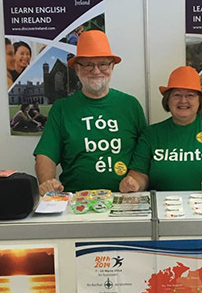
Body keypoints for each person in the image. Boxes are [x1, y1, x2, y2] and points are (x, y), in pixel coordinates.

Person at [34, 30, 147, 193]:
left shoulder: (130, 105)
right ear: (77, 69)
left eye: (102, 64)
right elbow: (46, 154)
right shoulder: (61, 108)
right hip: (77, 200)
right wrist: (48, 182)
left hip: (124, 199)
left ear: (112, 66)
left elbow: (144, 154)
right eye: (88, 64)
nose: (96, 71)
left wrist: (136, 181)